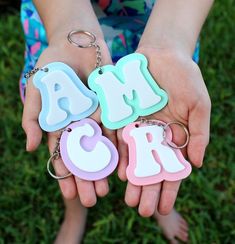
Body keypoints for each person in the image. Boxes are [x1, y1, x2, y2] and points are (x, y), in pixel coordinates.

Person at [20, 0, 213, 243]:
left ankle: (153, 191)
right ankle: (74, 214)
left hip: (160, 22)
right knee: (66, 152)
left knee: (157, 138)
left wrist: (171, 39)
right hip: (60, 23)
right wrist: (66, 25)